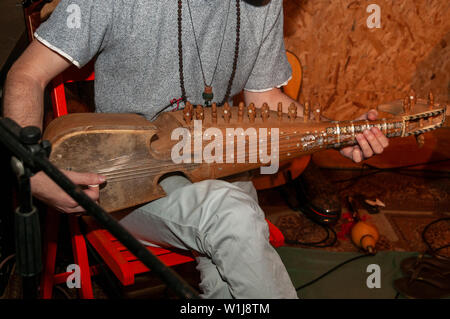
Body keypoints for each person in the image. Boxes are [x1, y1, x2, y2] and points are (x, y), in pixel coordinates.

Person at [2, 0, 389, 298]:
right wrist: (31, 172)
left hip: (216, 171)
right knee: (234, 219)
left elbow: (266, 98)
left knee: (232, 250)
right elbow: (26, 74)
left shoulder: (263, 4)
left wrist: (337, 133)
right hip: (125, 183)